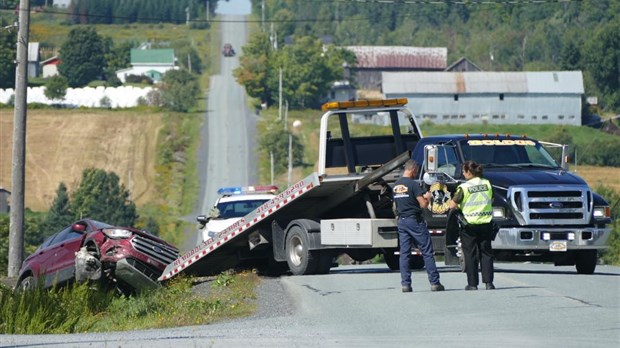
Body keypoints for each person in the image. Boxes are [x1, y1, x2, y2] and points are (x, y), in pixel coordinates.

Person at [393, 159, 445, 293]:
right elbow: (423, 204)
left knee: (404, 253)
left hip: (402, 221)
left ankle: (405, 284)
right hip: (414, 221)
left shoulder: (396, 185)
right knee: (427, 251)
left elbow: (395, 205)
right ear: (413, 169)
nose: (416, 173)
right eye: (416, 171)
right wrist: (427, 196)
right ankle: (434, 283)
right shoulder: (413, 185)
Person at [449, 160, 495, 290]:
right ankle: (489, 283)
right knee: (486, 254)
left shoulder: (464, 187)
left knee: (470, 254)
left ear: (469, 172)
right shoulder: (487, 183)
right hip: (486, 222)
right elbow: (491, 199)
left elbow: (452, 205)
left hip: (469, 225)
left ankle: (472, 284)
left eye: (463, 172)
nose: (463, 174)